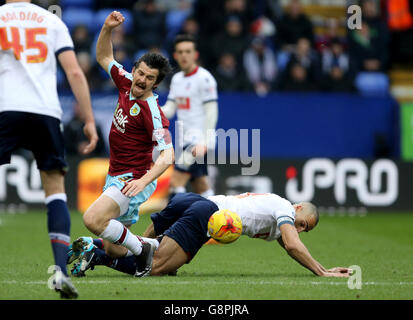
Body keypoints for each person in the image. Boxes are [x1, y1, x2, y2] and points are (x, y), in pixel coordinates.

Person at [0, 0, 99, 298]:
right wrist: (90, 119)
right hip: (45, 111)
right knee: (55, 187)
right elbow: (75, 72)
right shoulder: (52, 21)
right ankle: (60, 272)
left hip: (6, 108)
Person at [80, 11, 174, 279]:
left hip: (132, 178)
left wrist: (143, 182)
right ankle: (152, 246)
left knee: (92, 219)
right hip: (116, 174)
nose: (142, 80)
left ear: (156, 84)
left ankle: (142, 250)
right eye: (141, 73)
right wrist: (107, 28)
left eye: (149, 78)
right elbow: (104, 57)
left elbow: (168, 155)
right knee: (114, 251)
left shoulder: (152, 110)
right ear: (134, 70)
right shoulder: (125, 81)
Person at [69, 192, 352, 278]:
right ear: (299, 208)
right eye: (304, 223)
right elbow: (293, 244)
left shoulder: (276, 217)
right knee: (153, 268)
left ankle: (94, 243)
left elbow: (289, 245)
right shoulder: (284, 209)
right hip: (206, 213)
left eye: (305, 229)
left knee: (149, 250)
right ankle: (99, 256)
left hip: (193, 200)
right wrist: (323, 272)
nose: (301, 229)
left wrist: (316, 266)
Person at [161, 34, 218, 199]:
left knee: (175, 182)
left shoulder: (205, 79)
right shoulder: (177, 79)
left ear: (195, 54)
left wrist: (204, 142)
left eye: (188, 51)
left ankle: (173, 223)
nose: (184, 55)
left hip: (197, 142)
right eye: (180, 52)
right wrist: (149, 108)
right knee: (201, 185)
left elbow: (211, 112)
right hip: (184, 140)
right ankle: (220, 215)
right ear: (175, 56)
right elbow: (170, 109)